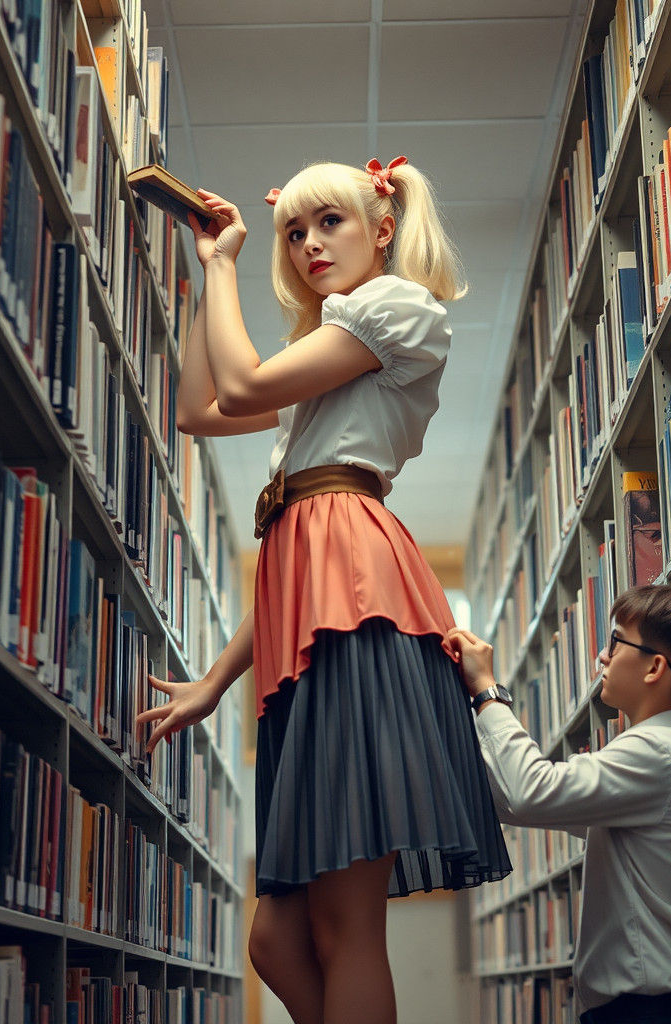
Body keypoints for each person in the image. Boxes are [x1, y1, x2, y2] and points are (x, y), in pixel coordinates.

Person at [134, 156, 511, 1024]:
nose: (308, 244)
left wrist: (227, 263)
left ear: (383, 228)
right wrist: (214, 683)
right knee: (273, 939)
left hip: (363, 610)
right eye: (293, 232)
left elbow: (242, 385)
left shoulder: (397, 308)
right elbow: (199, 408)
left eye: (329, 223)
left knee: (345, 930)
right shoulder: (325, 376)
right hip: (317, 605)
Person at [447, 583, 671, 1024]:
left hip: (645, 1013)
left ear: (655, 668)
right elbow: (515, 800)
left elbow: (529, 791)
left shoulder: (659, 755)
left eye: (615, 641)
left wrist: (487, 692)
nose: (602, 657)